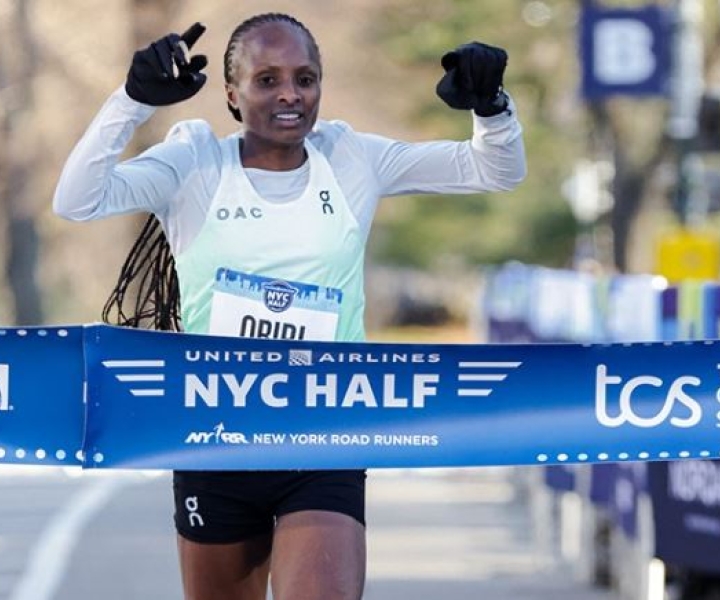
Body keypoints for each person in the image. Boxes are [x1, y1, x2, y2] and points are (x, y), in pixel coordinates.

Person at [53, 12, 525, 600]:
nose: (289, 95)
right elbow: (76, 200)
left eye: (305, 79)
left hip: (323, 436)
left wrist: (491, 107)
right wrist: (131, 102)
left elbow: (495, 170)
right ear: (231, 92)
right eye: (267, 79)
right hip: (214, 436)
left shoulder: (351, 159)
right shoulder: (193, 164)